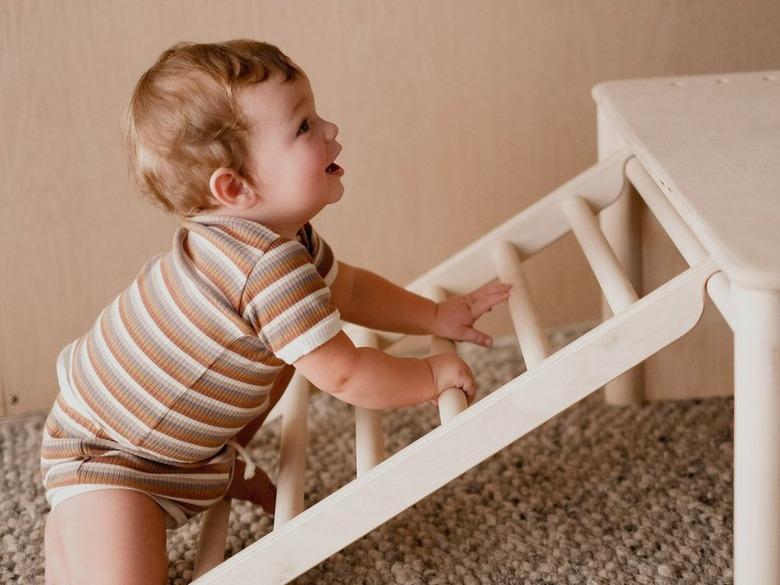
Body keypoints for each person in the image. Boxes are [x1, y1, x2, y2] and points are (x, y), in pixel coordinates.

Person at [41, 39, 512, 585]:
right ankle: (78, 526)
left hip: (166, 442)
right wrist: (429, 376)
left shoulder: (286, 244)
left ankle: (207, 469)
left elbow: (350, 290)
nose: (331, 128)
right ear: (234, 188)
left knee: (294, 344)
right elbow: (345, 373)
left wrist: (434, 316)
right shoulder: (261, 265)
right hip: (109, 456)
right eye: (304, 127)